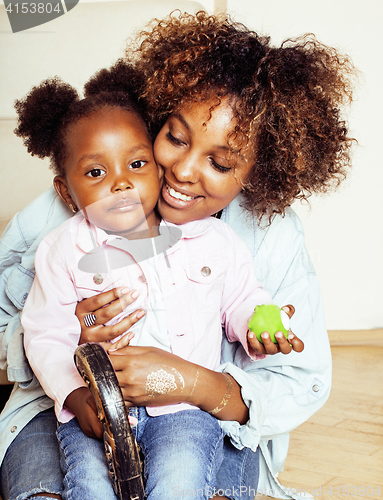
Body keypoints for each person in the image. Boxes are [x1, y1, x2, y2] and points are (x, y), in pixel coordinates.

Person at [0, 10, 355, 500]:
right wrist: (71, 340)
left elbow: (294, 371)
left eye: (221, 161)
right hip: (76, 406)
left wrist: (195, 382)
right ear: (157, 117)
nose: (184, 170)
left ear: (256, 171)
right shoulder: (71, 209)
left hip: (203, 416)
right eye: (175, 137)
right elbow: (23, 329)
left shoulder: (257, 235)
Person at [19, 64, 282, 499]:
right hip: (100, 407)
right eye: (95, 173)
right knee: (89, 487)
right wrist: (74, 397)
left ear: (157, 171)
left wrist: (259, 323)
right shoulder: (62, 249)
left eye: (136, 164)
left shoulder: (215, 240)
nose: (121, 182)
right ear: (67, 193)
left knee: (180, 482)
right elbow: (45, 335)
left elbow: (241, 299)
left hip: (182, 411)